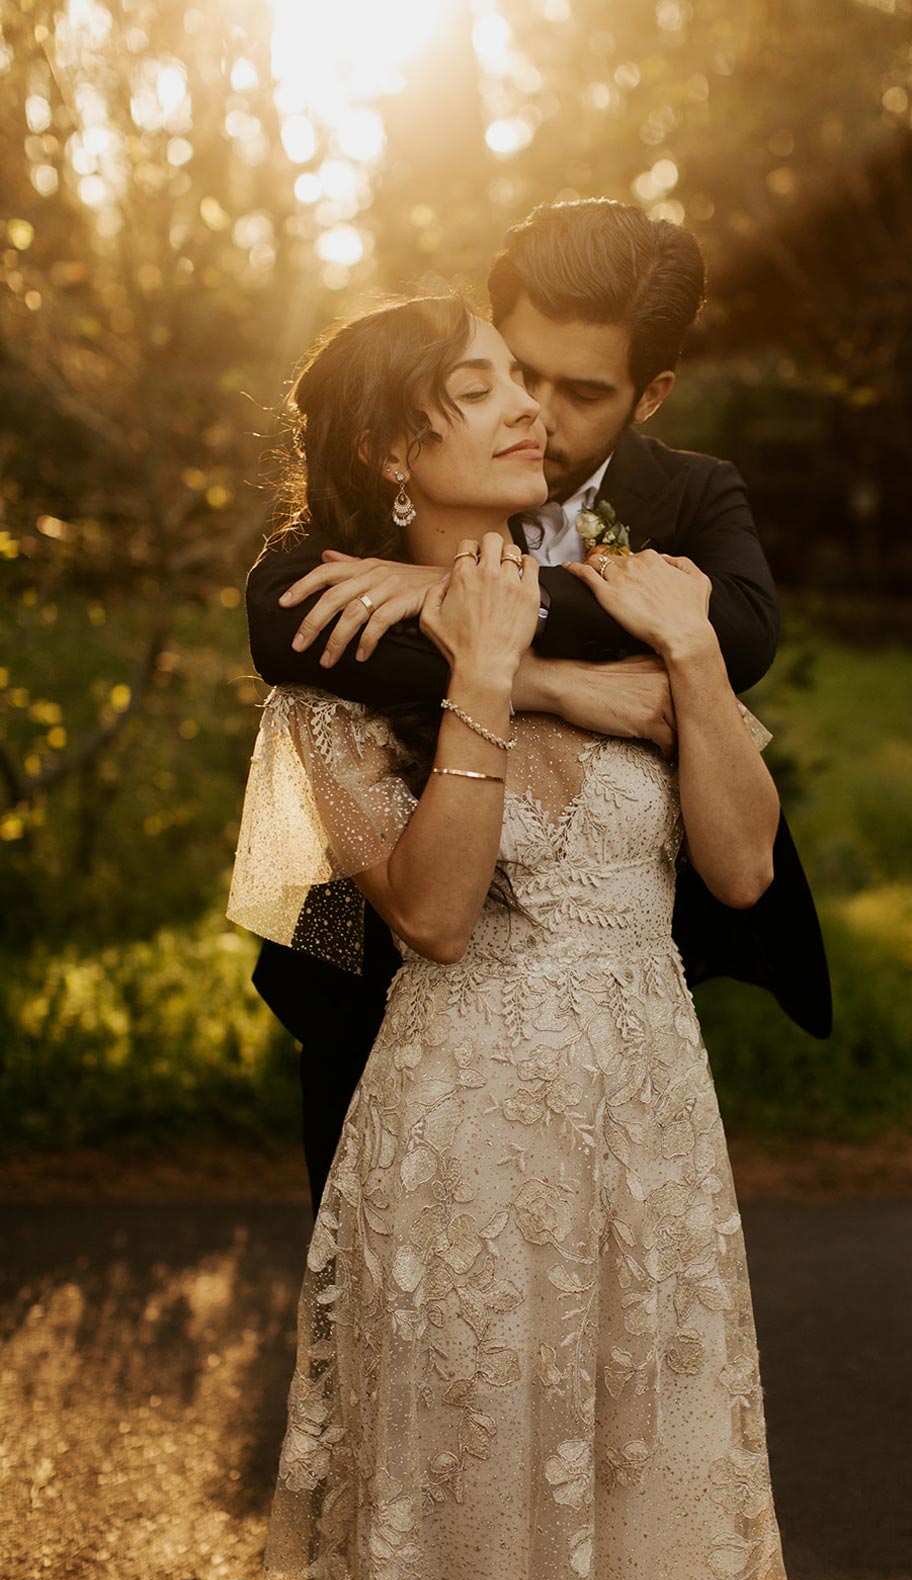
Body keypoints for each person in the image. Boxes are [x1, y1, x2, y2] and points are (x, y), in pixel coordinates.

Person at [228, 292, 794, 1580]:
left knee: (656, 1481)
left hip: (651, 1125)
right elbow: (428, 915)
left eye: (524, 383)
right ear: (388, 448)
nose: (532, 409)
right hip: (462, 1139)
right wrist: (482, 675)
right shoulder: (330, 683)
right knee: (476, 1502)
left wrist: (691, 657)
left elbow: (744, 865)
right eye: (481, 390)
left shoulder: (620, 599)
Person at [246, 199, 831, 1212]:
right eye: (516, 370)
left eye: (582, 389)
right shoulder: (377, 502)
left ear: (650, 395)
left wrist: (453, 596)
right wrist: (556, 676)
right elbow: (284, 625)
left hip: (630, 1042)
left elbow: (742, 632)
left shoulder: (686, 503)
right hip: (391, 1028)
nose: (538, 411)